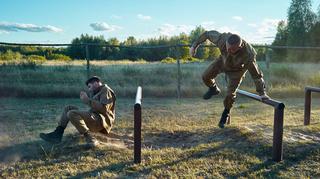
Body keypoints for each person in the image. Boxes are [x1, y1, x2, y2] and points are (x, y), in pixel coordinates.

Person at [190, 30, 269, 128]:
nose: (229, 51)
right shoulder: (222, 39)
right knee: (205, 76)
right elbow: (206, 34)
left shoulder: (248, 54)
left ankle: (226, 113)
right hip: (222, 62)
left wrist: (262, 93)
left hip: (237, 71)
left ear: (239, 47)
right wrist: (194, 46)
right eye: (228, 48)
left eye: (232, 50)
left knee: (230, 94)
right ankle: (213, 88)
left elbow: (256, 75)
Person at [40, 76, 116, 148]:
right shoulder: (97, 92)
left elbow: (104, 109)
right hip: (95, 118)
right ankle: (57, 134)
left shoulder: (106, 90)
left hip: (102, 121)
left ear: (96, 83)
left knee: (71, 113)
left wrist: (87, 100)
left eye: (89, 86)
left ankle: (90, 138)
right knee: (68, 108)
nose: (89, 89)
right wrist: (88, 100)